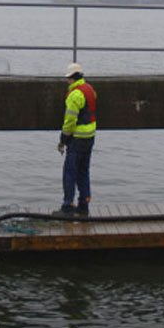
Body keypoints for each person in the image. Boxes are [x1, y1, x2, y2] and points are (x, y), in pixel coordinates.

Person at [55, 62, 97, 216]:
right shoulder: (90, 90)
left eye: (68, 79)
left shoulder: (74, 95)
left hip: (77, 138)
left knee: (69, 173)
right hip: (90, 137)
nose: (67, 82)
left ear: (72, 78)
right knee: (83, 172)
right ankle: (84, 205)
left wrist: (63, 140)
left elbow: (70, 121)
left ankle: (67, 206)